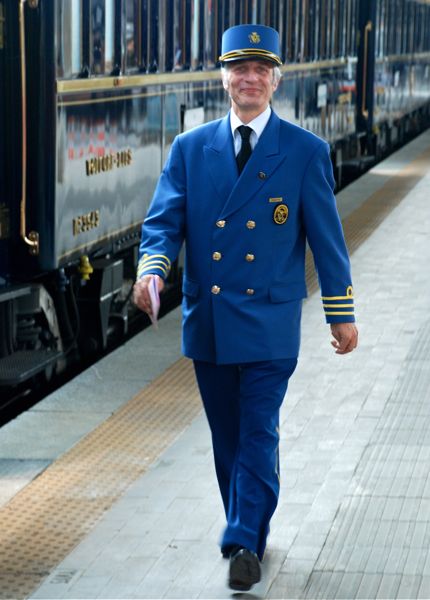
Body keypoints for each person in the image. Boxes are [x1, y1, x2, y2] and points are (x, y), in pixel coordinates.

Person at [133, 23, 358, 592]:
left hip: (270, 322)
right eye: (240, 69)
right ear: (225, 79)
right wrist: (152, 268)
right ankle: (252, 526)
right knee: (227, 438)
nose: (249, 79)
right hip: (208, 322)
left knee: (258, 430)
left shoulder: (305, 153)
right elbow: (163, 223)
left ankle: (241, 541)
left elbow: (328, 242)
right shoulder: (190, 149)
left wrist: (341, 311)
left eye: (260, 70)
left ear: (275, 81)